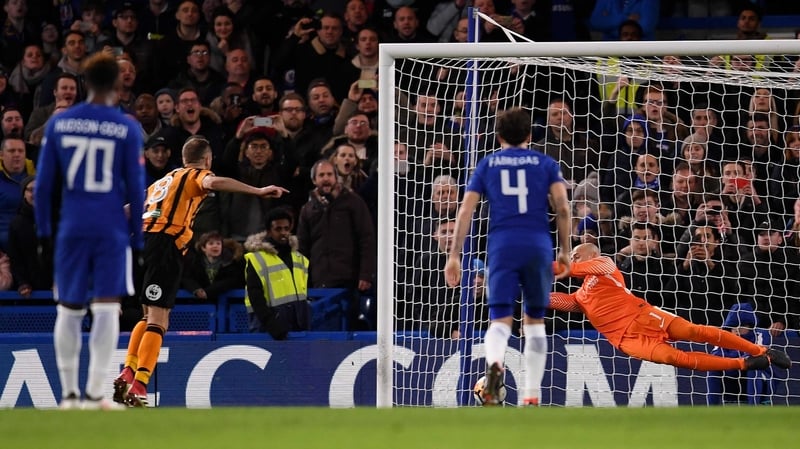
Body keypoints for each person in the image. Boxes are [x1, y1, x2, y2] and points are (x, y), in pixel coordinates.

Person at [114, 135, 288, 407]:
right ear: (207, 159)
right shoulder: (196, 175)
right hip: (165, 244)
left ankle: (128, 370)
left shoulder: (164, 180)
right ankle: (140, 384)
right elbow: (213, 182)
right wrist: (258, 190)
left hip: (143, 243)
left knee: (148, 314)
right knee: (159, 320)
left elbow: (128, 210)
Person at [34, 52, 146, 410]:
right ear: (117, 84)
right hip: (111, 228)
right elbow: (136, 188)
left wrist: (43, 233)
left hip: (72, 226)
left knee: (68, 310)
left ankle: (68, 395)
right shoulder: (126, 126)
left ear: (83, 83)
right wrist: (139, 240)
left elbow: (43, 186)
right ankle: (96, 394)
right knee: (107, 310)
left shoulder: (60, 124)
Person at [444, 107, 572, 406]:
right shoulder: (545, 163)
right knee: (534, 321)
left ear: (499, 135)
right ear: (530, 134)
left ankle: (495, 364)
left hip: (502, 245)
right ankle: (531, 394)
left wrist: (454, 255)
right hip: (537, 243)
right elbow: (563, 208)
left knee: (500, 320)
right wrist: (565, 250)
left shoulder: (488, 164)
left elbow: (466, 210)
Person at [550, 243, 791, 374]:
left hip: (643, 315)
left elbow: (569, 268)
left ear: (593, 254)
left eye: (576, 254)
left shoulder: (606, 265)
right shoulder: (580, 295)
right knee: (672, 358)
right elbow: (557, 301)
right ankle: (744, 364)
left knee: (694, 332)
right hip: (626, 339)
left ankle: (760, 350)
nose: (572, 258)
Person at [243, 207, 310, 339]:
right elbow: (255, 296)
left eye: (286, 228)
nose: (283, 233)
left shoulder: (299, 258)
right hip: (268, 328)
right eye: (278, 229)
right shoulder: (257, 259)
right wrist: (272, 324)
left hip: (297, 325)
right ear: (268, 231)